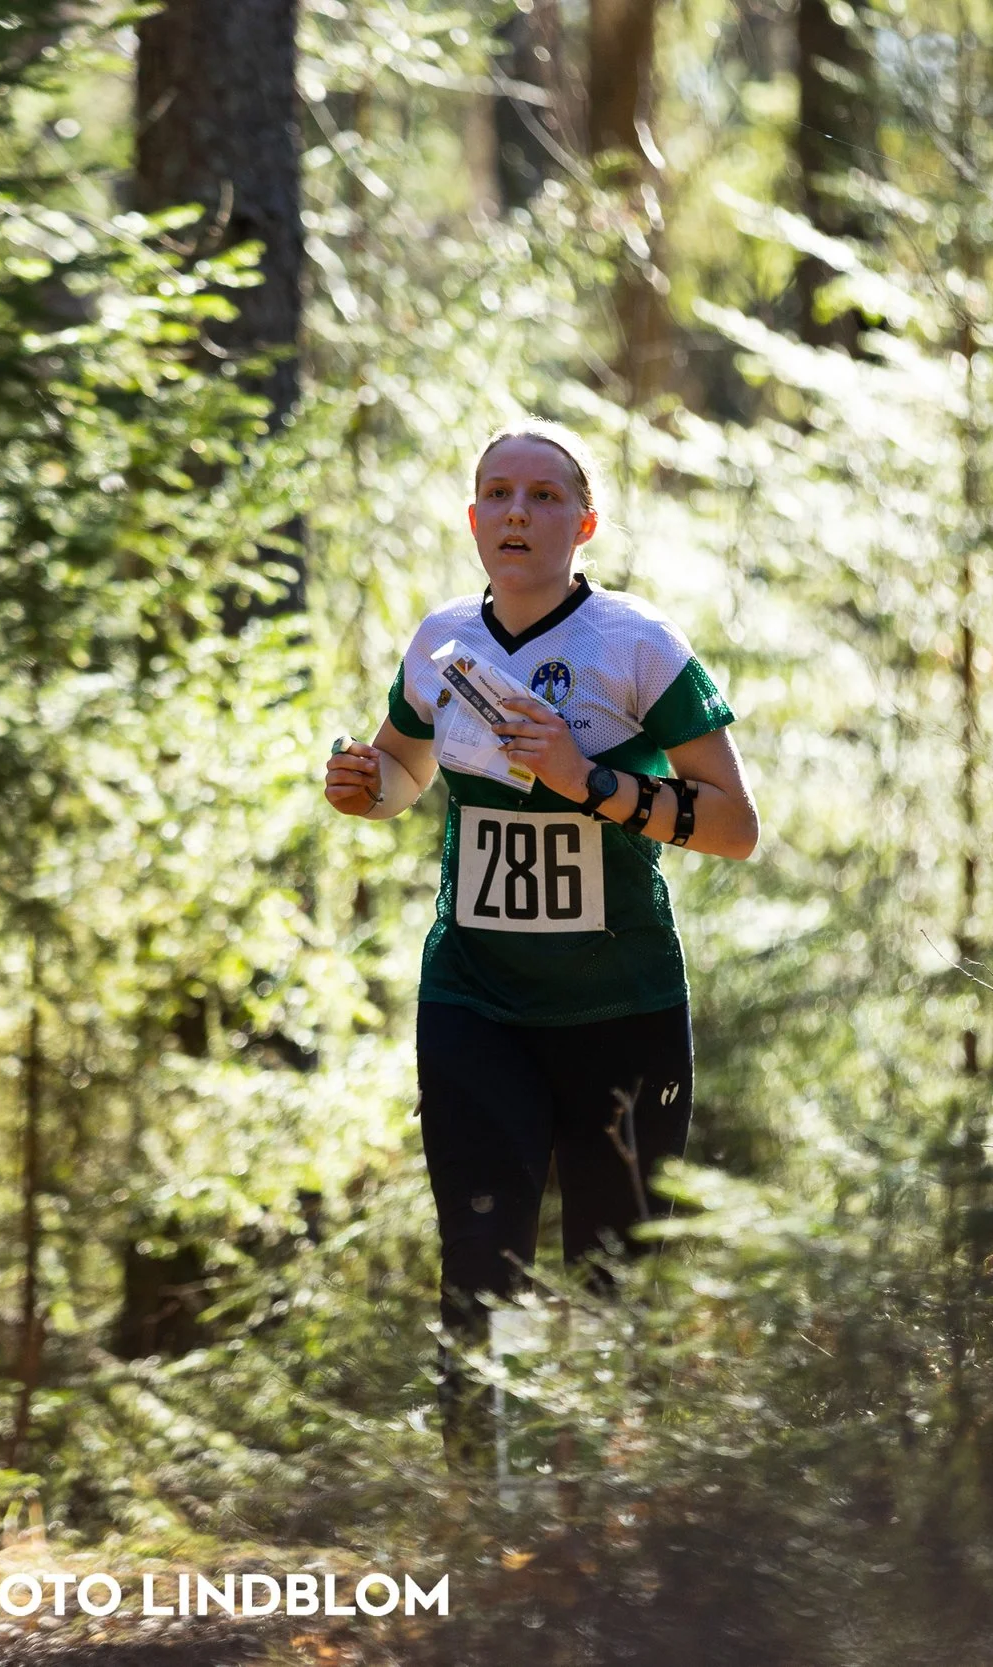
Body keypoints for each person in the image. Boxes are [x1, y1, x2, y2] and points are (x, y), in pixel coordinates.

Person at [322, 418, 759, 1465]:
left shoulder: (636, 643)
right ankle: (481, 1515)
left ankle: (605, 1524)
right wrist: (362, 786)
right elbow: (403, 772)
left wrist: (589, 781)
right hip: (475, 1002)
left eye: (544, 495)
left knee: (614, 1274)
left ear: (583, 521)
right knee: (478, 1259)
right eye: (498, 494)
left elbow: (736, 825)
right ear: (474, 520)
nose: (518, 512)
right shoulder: (439, 642)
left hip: (621, 1011)